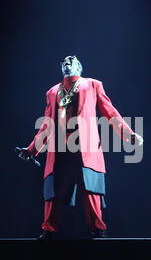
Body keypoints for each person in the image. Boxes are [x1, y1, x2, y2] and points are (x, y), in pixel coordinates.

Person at [19, 55, 143, 240]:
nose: (66, 63)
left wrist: (128, 134)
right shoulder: (52, 92)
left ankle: (98, 229)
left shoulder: (93, 85)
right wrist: (31, 150)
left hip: (85, 147)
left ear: (79, 66)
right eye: (63, 63)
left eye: (71, 61)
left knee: (90, 189)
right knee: (53, 191)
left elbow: (110, 112)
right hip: (60, 149)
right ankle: (49, 229)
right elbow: (46, 126)